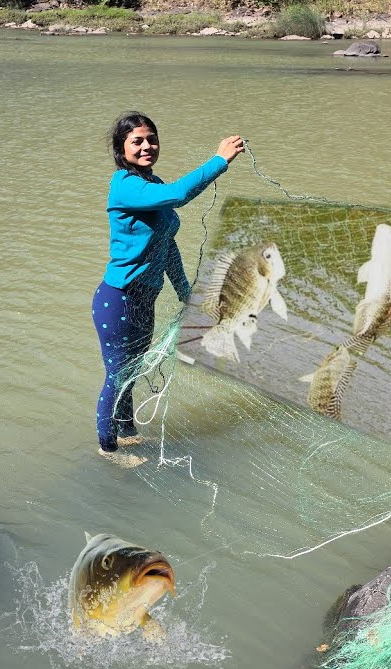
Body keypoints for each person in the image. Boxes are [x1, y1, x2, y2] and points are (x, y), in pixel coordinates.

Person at [92, 112, 246, 467]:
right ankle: (108, 449)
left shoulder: (150, 184)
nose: (147, 146)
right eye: (137, 141)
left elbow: (167, 244)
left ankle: (127, 432)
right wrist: (219, 160)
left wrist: (184, 292)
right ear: (121, 149)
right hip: (119, 300)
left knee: (131, 373)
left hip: (144, 300)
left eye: (151, 139)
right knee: (117, 375)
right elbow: (179, 195)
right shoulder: (126, 186)